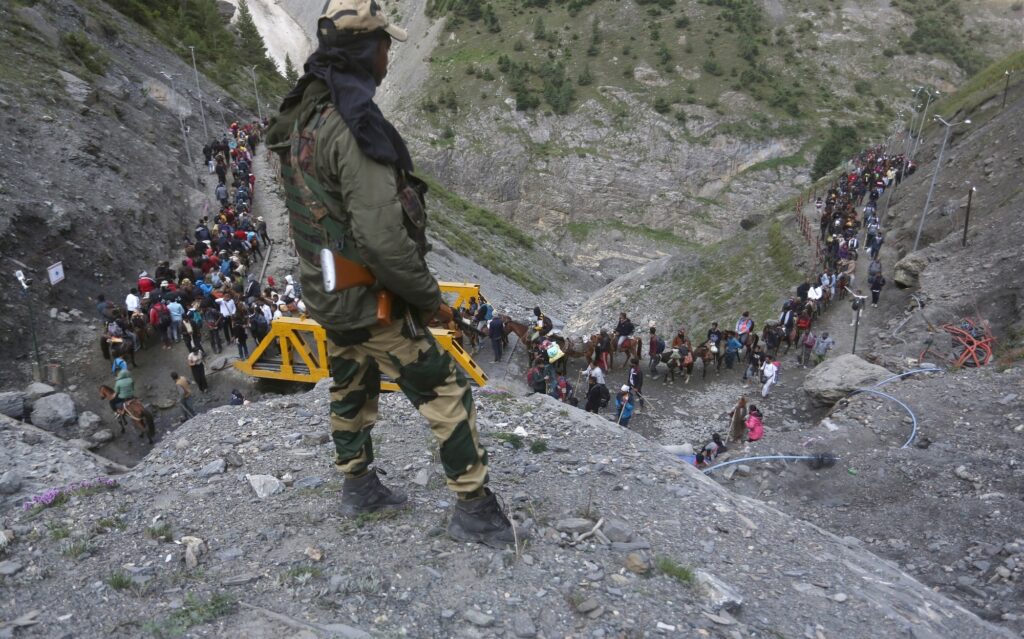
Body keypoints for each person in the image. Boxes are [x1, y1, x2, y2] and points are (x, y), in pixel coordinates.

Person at [265, 0, 516, 548]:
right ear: (364, 51)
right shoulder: (354, 132)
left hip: (328, 292)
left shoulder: (304, 114)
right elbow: (384, 242)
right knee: (446, 393)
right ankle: (475, 508)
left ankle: (358, 486)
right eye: (384, 44)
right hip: (370, 302)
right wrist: (427, 299)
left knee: (351, 382)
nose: (388, 55)